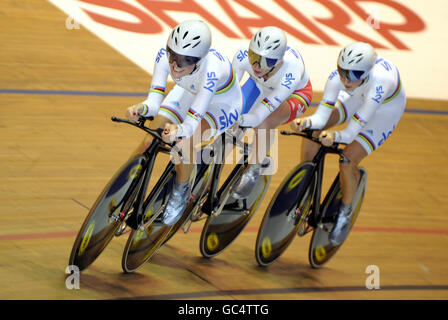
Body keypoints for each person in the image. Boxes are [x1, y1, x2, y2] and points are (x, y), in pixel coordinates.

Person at [125, 20, 242, 226]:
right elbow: (154, 102)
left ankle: (181, 191)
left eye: (186, 60)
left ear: (200, 59)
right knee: (149, 138)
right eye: (174, 55)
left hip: (222, 104)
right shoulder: (163, 57)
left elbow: (191, 122)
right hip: (189, 91)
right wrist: (141, 109)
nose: (176, 65)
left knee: (182, 144)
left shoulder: (210, 72)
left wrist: (178, 130)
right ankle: (127, 185)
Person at [291, 42, 406, 246]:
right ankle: (306, 185)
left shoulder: (380, 83)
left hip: (383, 112)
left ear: (367, 73)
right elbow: (320, 117)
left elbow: (352, 131)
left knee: (347, 159)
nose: (345, 79)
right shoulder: (340, 80)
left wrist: (335, 137)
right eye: (342, 71)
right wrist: (306, 123)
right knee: (314, 131)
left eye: (352, 74)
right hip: (357, 97)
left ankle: (344, 213)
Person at [231, 26, 313, 199]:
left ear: (279, 61)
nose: (257, 65)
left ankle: (255, 167)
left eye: (266, 61)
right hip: (261, 85)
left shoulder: (291, 70)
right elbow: (229, 92)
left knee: (263, 123)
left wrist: (248, 118)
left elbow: (264, 111)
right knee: (231, 128)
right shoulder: (242, 57)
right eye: (254, 57)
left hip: (294, 94)